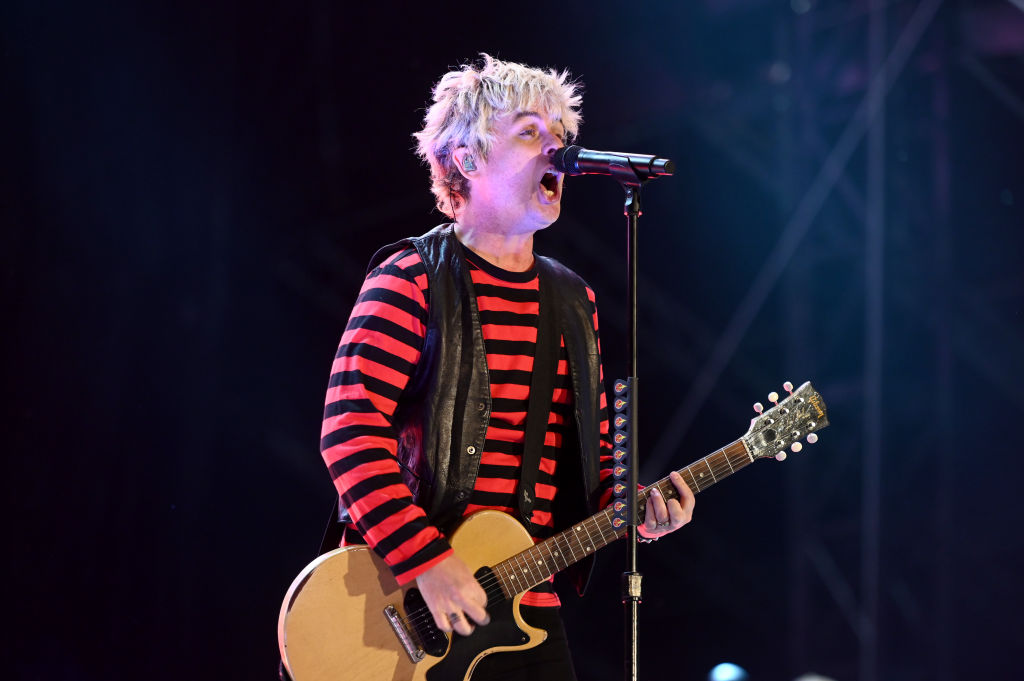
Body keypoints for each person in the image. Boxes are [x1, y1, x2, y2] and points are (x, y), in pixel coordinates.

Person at [319, 54, 696, 680]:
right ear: (466, 160)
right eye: (530, 131)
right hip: (410, 598)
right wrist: (426, 562)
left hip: (527, 610)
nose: (556, 150)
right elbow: (349, 434)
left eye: (560, 134)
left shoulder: (575, 302)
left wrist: (640, 509)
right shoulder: (411, 280)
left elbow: (594, 464)